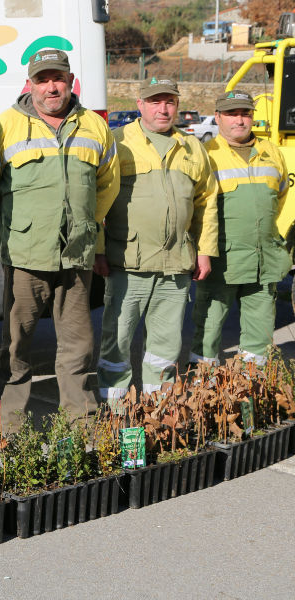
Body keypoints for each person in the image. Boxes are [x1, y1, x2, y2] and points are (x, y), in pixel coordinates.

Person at [0, 49, 119, 430]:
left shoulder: (94, 126)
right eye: (43, 79)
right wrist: (6, 232)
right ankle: (11, 431)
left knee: (78, 347)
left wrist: (87, 223)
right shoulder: (3, 127)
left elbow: (107, 184)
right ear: (30, 85)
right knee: (15, 345)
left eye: (58, 78)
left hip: (76, 254)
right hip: (25, 255)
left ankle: (82, 428)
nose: (51, 86)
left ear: (70, 81)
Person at [96, 77, 218, 402]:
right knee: (116, 342)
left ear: (177, 105)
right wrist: (97, 250)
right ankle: (116, 416)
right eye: (155, 101)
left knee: (165, 348)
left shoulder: (192, 147)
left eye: (169, 102)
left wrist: (205, 251)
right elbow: (95, 201)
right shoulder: (118, 142)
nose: (162, 109)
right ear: (140, 104)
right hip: (127, 265)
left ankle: (158, 414)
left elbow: (207, 202)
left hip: (176, 266)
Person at [190, 90, 290, 366]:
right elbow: (196, 210)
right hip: (222, 260)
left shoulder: (271, 152)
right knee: (207, 329)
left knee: (259, 335)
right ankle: (203, 393)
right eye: (232, 114)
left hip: (263, 260)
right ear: (218, 117)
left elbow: (278, 199)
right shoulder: (206, 155)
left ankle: (250, 394)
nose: (240, 120)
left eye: (245, 113)